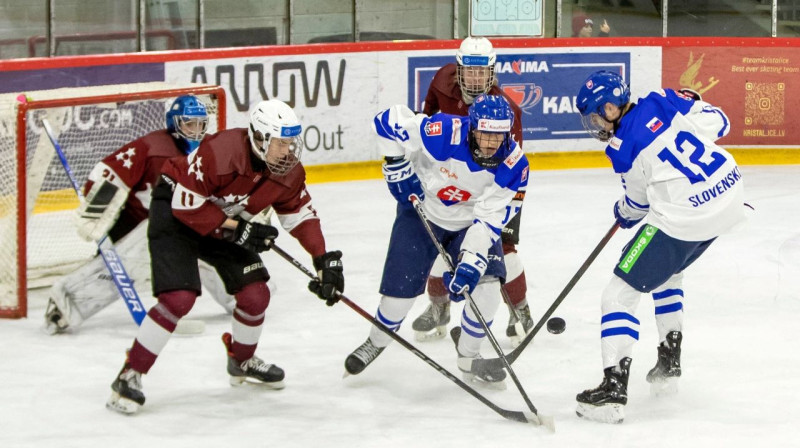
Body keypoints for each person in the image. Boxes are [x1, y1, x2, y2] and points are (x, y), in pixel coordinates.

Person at [106, 99, 345, 414]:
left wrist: (322, 260)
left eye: (291, 143)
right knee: (178, 298)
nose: (288, 151)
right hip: (176, 211)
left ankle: (242, 361)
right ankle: (129, 374)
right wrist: (240, 229)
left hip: (224, 219)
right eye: (281, 143)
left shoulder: (287, 171)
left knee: (255, 294)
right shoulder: (221, 152)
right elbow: (186, 206)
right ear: (259, 138)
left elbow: (300, 215)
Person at [573, 71, 746, 423]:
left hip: (685, 214)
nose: (594, 125)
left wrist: (621, 213)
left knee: (618, 294)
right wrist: (692, 106)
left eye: (594, 116)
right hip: (728, 196)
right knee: (668, 273)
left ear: (610, 108)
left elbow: (636, 206)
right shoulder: (662, 100)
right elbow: (721, 121)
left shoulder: (621, 148)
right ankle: (669, 362)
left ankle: (612, 390)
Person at [344, 94, 529, 387]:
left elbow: (490, 219)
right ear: (472, 128)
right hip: (422, 214)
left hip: (470, 224)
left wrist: (471, 262)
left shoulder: (514, 165)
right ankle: (376, 341)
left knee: (488, 291)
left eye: (499, 135)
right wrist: (395, 162)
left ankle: (469, 356)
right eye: (485, 133)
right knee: (397, 300)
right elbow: (386, 121)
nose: (493, 142)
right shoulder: (444, 132)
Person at [44, 95, 235, 334]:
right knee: (132, 259)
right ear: (174, 123)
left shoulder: (209, 152)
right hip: (135, 227)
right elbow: (109, 175)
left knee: (208, 246)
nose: (195, 131)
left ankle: (241, 294)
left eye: (200, 124)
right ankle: (64, 305)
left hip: (181, 224)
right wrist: (95, 214)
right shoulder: (153, 148)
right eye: (189, 124)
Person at [414, 35, 532, 347]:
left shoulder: (506, 111)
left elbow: (511, 165)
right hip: (451, 184)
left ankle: (519, 310)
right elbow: (424, 126)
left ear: (491, 73)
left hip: (493, 190)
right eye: (470, 71)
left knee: (502, 248)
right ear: (459, 69)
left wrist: (505, 205)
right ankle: (439, 307)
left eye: (483, 73)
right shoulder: (441, 82)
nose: (476, 79)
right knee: (437, 240)